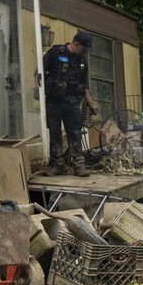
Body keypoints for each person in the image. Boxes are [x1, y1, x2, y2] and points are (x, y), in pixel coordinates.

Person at [42, 31, 98, 177]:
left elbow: (84, 85)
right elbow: (40, 72)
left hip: (73, 102)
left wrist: (90, 103)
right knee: (54, 133)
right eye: (84, 48)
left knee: (75, 133)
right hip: (54, 101)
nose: (86, 52)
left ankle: (79, 166)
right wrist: (41, 89)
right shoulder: (55, 53)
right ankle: (57, 165)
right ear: (76, 44)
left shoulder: (82, 62)